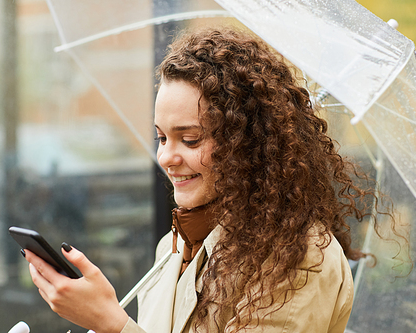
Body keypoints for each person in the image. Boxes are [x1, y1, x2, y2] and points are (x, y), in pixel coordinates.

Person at [25, 27, 387, 333]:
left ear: (245, 141)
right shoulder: (172, 248)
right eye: (162, 138)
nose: (166, 157)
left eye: (191, 139)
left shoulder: (299, 257)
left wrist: (113, 324)